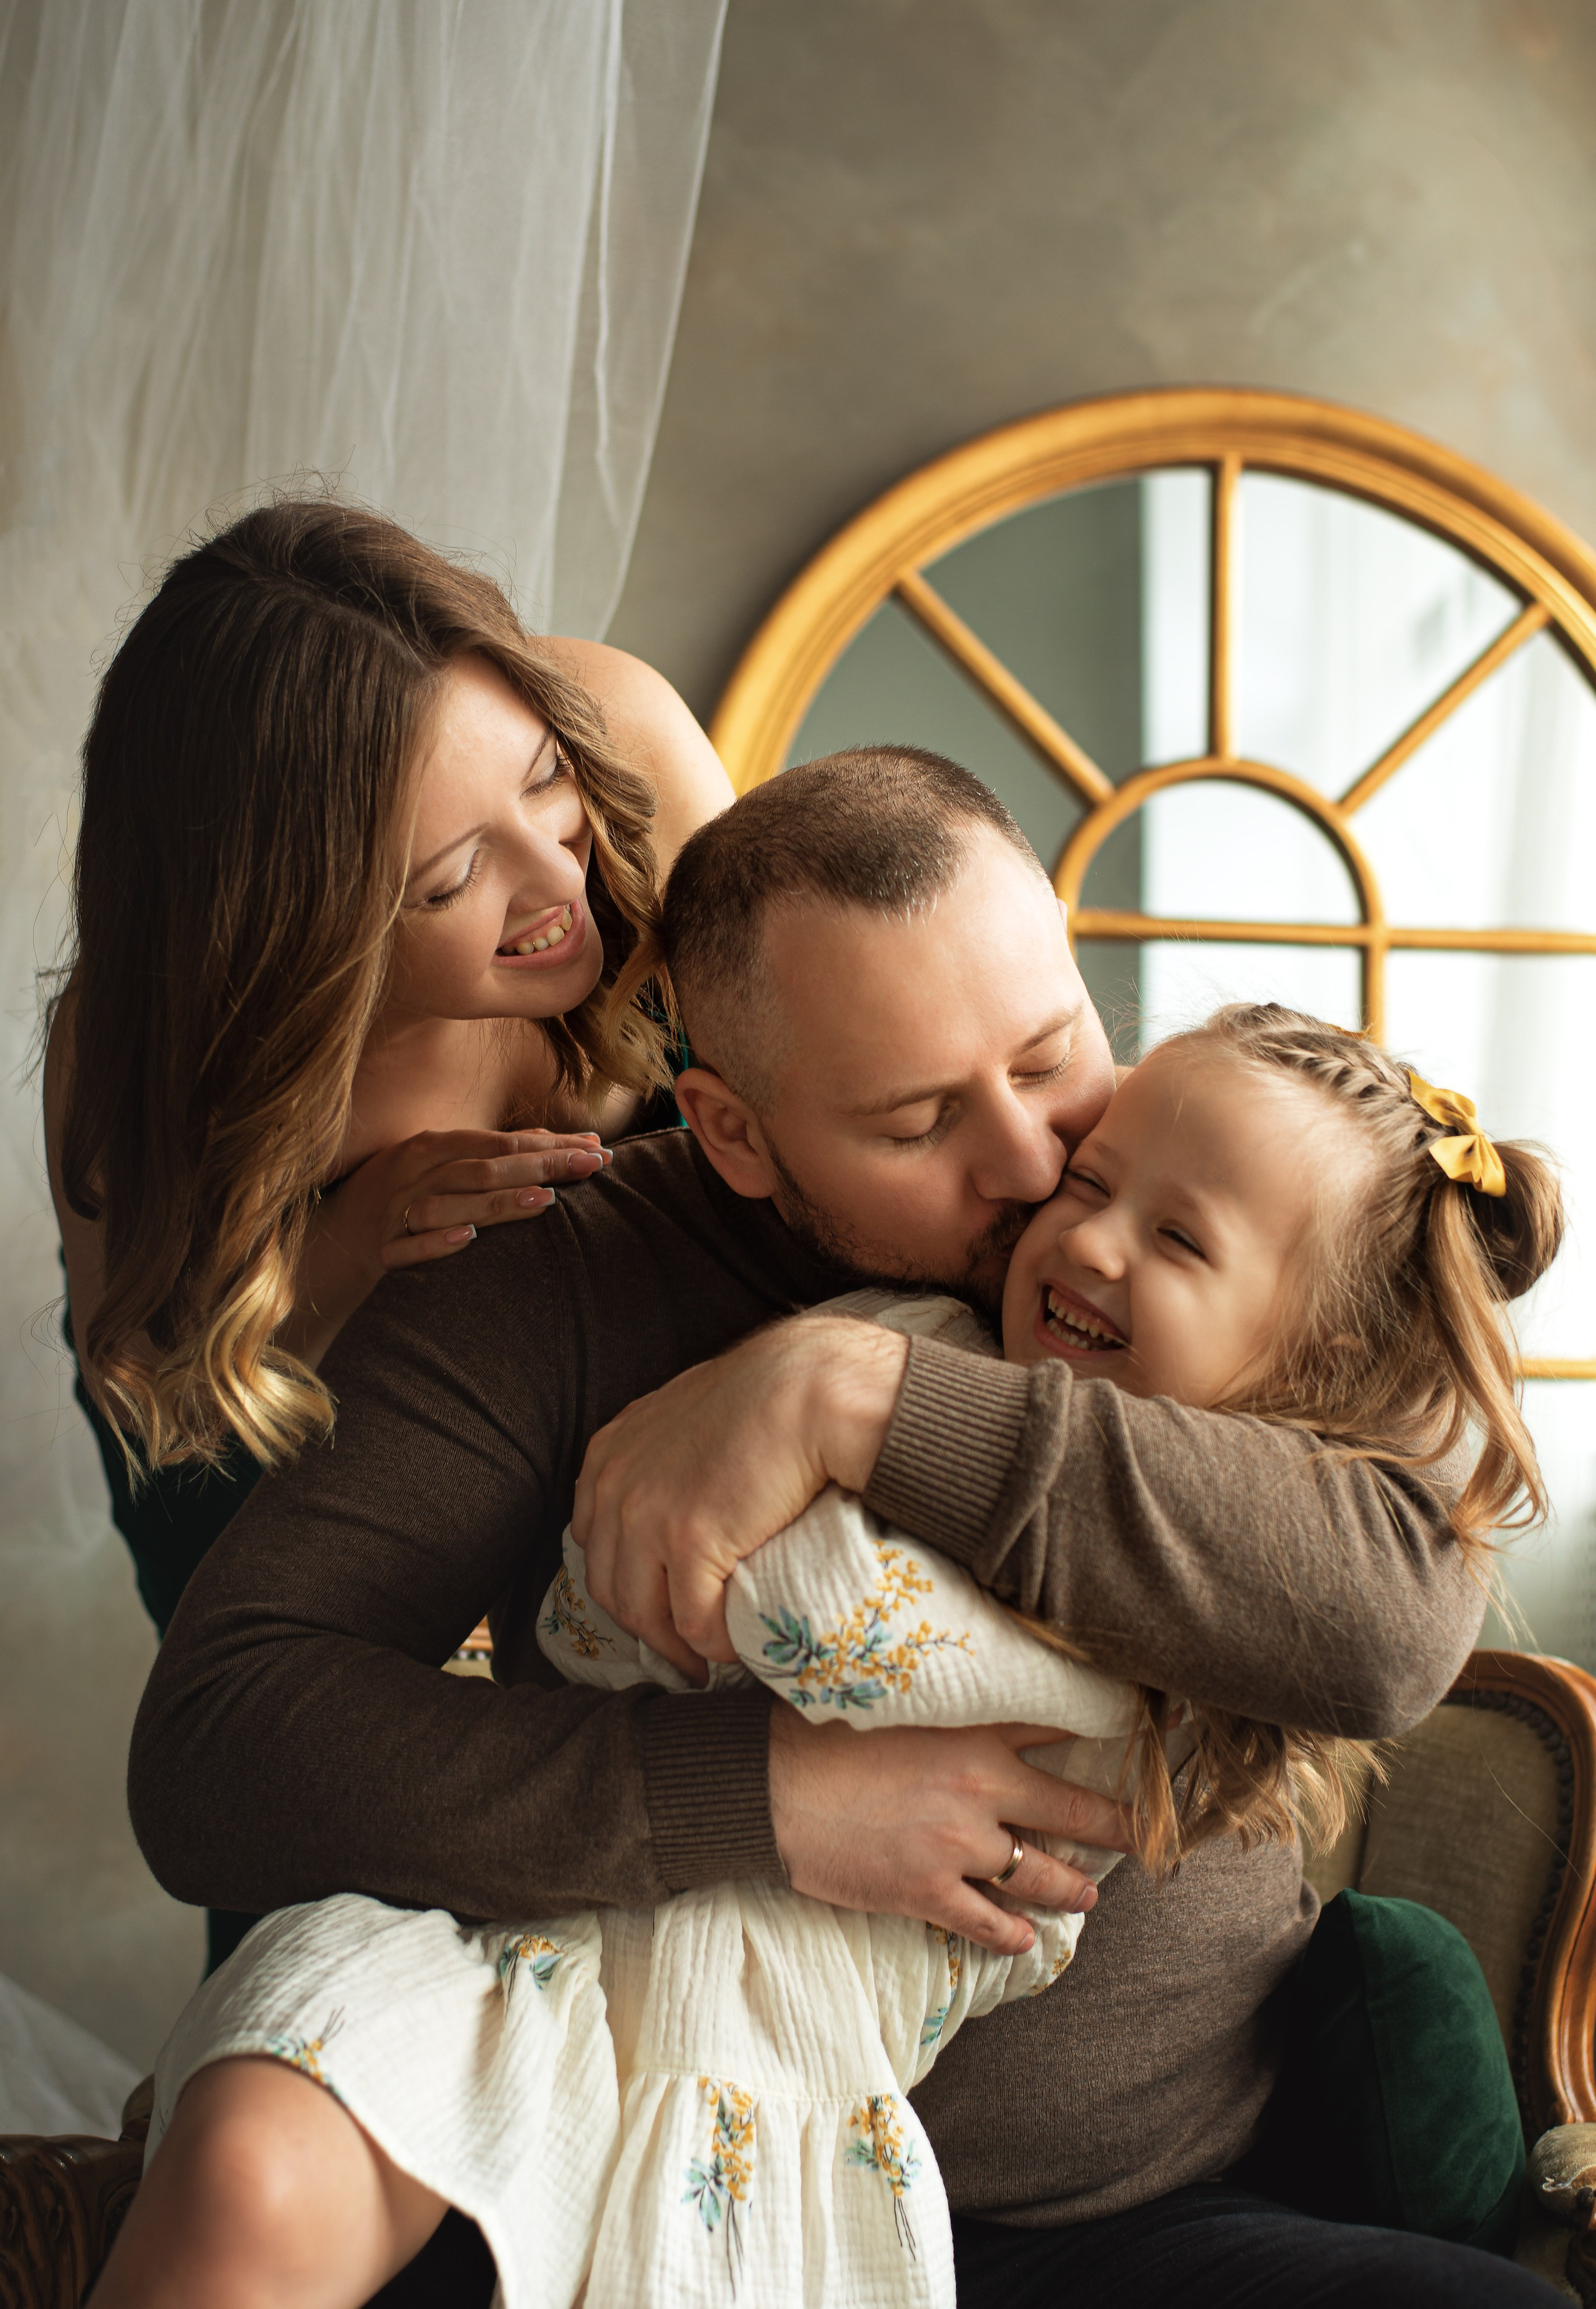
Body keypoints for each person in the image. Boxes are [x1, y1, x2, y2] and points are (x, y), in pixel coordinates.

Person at [120, 750, 1522, 2307]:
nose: (1032, 1164)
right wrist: (767, 1798)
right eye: (918, 1122)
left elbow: (1393, 1623)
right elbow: (219, 1747)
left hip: (1142, 2213)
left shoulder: (1204, 1210)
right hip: (640, 2151)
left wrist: (850, 1390)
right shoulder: (547, 1277)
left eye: (1052, 1054)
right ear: (730, 1131)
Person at [41, 497, 731, 1963]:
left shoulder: (625, 738)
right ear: (298, 933)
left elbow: (832, 1107)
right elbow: (170, 1442)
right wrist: (347, 1255)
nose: (559, 884)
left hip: (707, 1531)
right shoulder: (138, 1051)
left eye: (543, 781)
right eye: (444, 880)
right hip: (356, 1561)